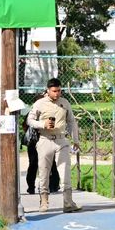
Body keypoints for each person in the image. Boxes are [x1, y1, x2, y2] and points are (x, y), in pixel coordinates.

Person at [27, 77, 80, 213]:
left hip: (61, 140)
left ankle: (68, 203)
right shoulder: (39, 103)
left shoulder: (65, 103)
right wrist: (42, 124)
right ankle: (44, 202)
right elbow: (30, 120)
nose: (57, 94)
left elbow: (71, 121)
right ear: (48, 90)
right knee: (44, 172)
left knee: (65, 171)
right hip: (45, 140)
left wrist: (76, 140)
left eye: (59, 91)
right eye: (54, 91)